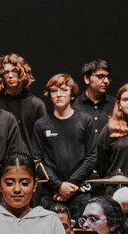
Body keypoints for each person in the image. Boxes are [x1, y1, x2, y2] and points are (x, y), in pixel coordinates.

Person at [30, 73, 99, 205]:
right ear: (49, 95)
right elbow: (37, 161)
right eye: (54, 91)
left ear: (72, 95)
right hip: (51, 192)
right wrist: (58, 186)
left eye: (64, 90)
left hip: (79, 190)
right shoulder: (41, 124)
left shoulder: (85, 121)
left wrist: (70, 184)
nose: (59, 94)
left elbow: (92, 157)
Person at [0, 53, 46, 135]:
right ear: (1, 76)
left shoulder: (35, 104)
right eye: (6, 72)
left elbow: (42, 136)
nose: (10, 76)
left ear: (22, 73)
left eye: (15, 71)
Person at [73, 59, 114, 133]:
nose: (106, 81)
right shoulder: (74, 105)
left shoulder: (115, 104)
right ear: (86, 79)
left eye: (108, 77)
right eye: (100, 76)